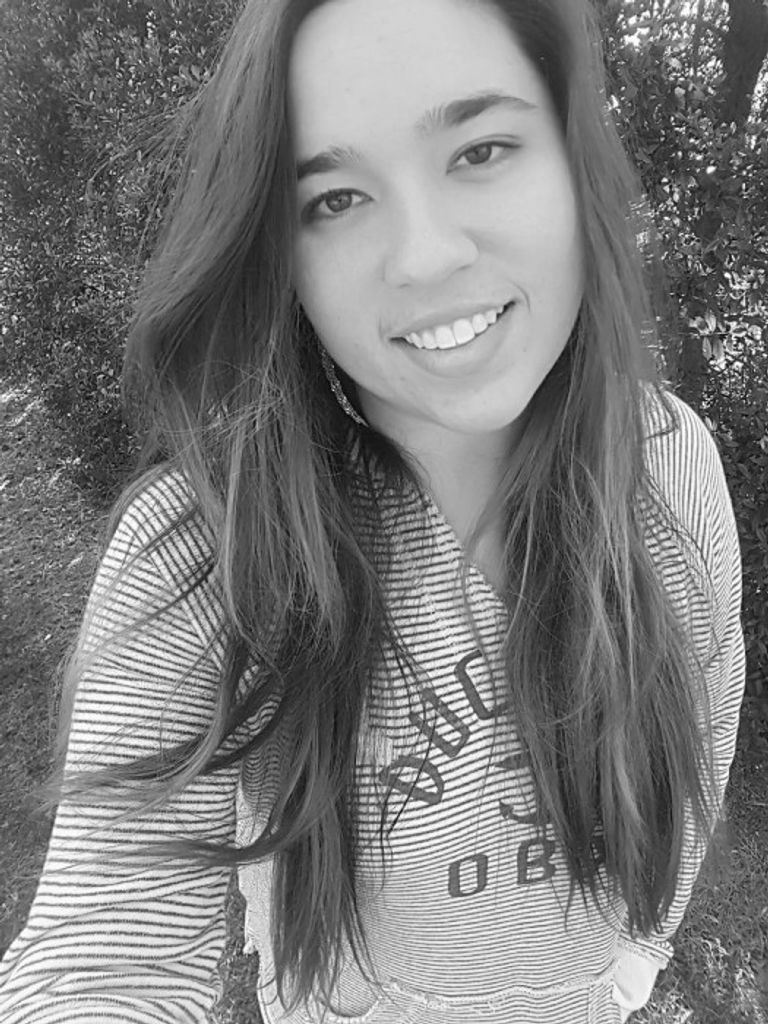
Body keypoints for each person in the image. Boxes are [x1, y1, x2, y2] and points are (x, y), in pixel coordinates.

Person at [0, 0, 745, 1021]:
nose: (424, 256)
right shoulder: (211, 542)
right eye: (337, 200)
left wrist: (641, 954)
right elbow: (103, 954)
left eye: (481, 149)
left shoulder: (672, 460)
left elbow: (707, 706)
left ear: (576, 162)